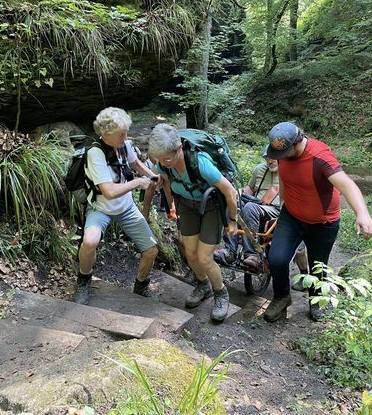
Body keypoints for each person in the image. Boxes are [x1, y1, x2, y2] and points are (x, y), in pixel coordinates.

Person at [263, 121, 372, 322]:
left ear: (297, 143)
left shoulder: (320, 156)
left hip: (322, 223)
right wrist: (283, 202)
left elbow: (347, 184)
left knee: (318, 265)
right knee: (276, 259)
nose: (280, 158)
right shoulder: (283, 154)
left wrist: (363, 213)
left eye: (285, 153)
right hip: (291, 216)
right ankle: (282, 296)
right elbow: (284, 178)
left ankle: (316, 299)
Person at [148, 123, 238, 323]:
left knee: (204, 258)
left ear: (179, 148)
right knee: (190, 253)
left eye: (167, 158)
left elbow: (229, 191)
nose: (163, 162)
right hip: (186, 205)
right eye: (159, 159)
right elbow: (168, 183)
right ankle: (203, 285)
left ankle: (221, 293)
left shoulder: (200, 162)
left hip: (211, 206)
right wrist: (171, 206)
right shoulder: (164, 163)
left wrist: (232, 220)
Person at [73, 107, 159, 305]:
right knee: (89, 242)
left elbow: (135, 163)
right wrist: (138, 183)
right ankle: (83, 280)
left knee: (151, 250)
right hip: (100, 208)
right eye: (121, 134)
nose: (126, 137)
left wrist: (152, 176)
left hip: (126, 208)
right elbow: (109, 192)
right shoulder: (95, 153)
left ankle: (141, 286)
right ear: (105, 133)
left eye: (126, 132)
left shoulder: (124, 144)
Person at [214, 145, 309, 290]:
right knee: (232, 201)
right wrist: (234, 193)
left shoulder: (291, 171)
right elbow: (250, 189)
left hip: (279, 210)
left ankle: (253, 255)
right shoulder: (260, 169)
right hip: (257, 205)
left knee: (299, 249)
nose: (270, 161)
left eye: (274, 158)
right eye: (267, 158)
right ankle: (230, 250)